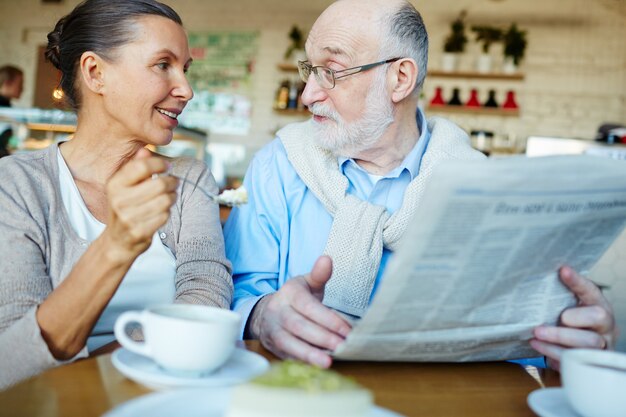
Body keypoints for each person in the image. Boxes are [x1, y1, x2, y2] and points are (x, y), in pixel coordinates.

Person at [224, 0, 616, 370]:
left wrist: (567, 342)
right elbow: (233, 292)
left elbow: (518, 342)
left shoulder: (482, 188)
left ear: (400, 79)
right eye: (310, 69)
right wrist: (260, 316)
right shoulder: (279, 164)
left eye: (332, 70)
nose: (308, 95)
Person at [0, 0, 232, 389]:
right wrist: (118, 244)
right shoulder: (16, 185)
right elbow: (12, 359)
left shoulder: (189, 178)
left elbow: (205, 292)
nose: (187, 89)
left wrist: (110, 363)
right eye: (163, 65)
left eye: (186, 69)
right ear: (95, 73)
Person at [0, 65, 24, 157]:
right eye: (20, 84)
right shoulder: (3, 107)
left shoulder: (7, 106)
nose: (22, 89)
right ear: (7, 83)